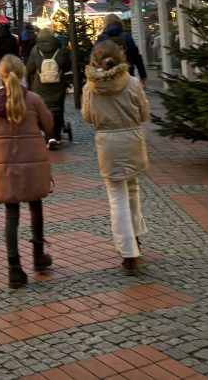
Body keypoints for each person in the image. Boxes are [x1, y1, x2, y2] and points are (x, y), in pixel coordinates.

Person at [82, 39, 151, 276]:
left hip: (108, 144)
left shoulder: (90, 87)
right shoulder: (132, 83)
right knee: (133, 189)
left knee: (117, 197)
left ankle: (128, 251)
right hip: (132, 141)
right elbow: (144, 113)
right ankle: (137, 238)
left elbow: (87, 117)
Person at [0, 54, 53, 289]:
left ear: (0, 75)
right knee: (36, 206)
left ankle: (14, 268)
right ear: (22, 73)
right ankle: (38, 256)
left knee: (11, 215)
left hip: (5, 164)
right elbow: (49, 125)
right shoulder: (33, 99)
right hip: (32, 161)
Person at [26, 28, 73, 150]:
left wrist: (28, 81)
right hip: (57, 84)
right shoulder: (60, 49)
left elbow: (29, 68)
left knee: (43, 109)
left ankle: (49, 135)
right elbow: (67, 66)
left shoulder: (35, 50)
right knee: (57, 108)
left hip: (40, 85)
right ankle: (56, 136)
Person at [98, 13, 148, 85]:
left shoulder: (101, 38)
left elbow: (96, 58)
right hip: (127, 74)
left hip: (107, 75)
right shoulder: (127, 36)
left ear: (106, 24)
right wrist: (143, 75)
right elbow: (136, 57)